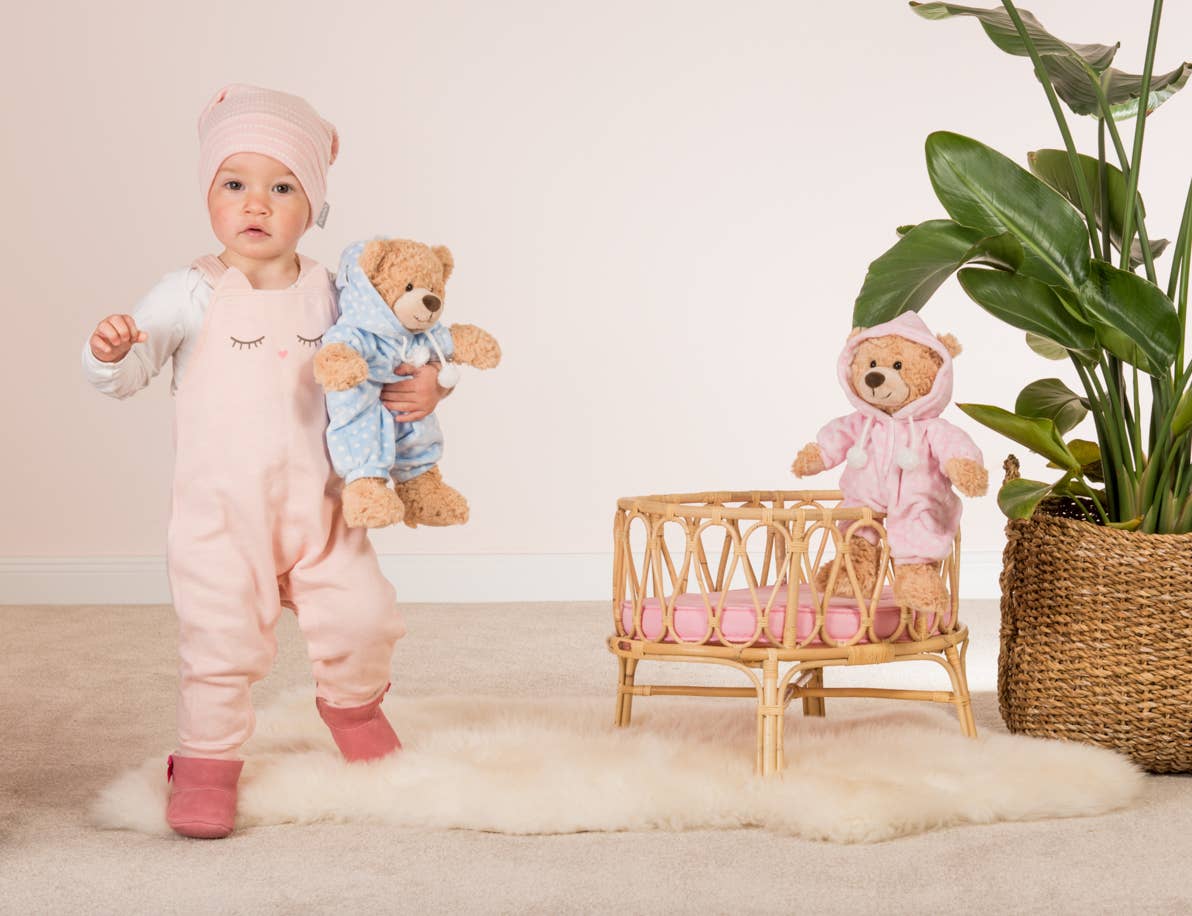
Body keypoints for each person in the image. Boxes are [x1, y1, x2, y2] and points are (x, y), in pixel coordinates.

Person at [82, 84, 448, 839]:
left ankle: (354, 710)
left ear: (313, 205)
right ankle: (206, 764)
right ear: (208, 195)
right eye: (234, 184)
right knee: (220, 645)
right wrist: (112, 352)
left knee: (365, 617)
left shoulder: (337, 293)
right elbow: (130, 371)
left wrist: (429, 385)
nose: (257, 203)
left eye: (282, 187)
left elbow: (396, 352)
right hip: (224, 518)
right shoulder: (190, 292)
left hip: (323, 504)